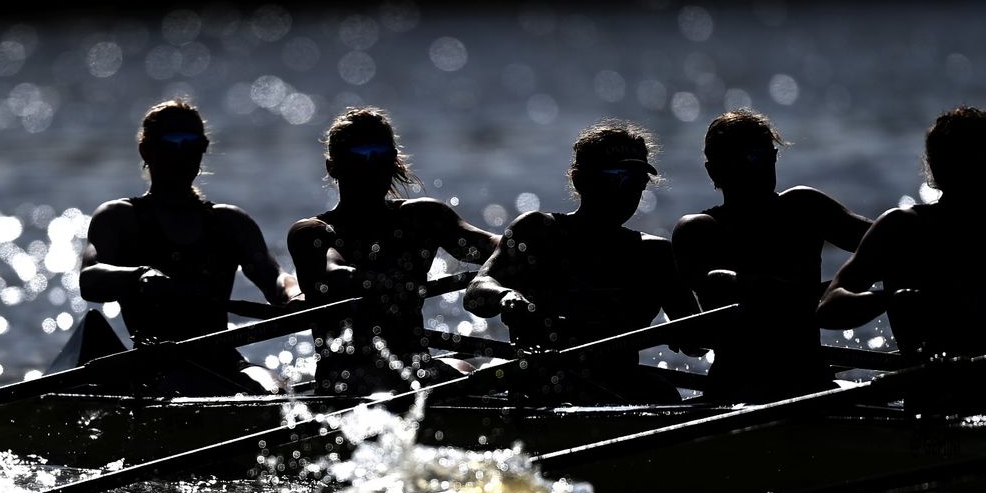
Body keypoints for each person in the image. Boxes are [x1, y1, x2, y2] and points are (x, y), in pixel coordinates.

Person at [817, 105, 986, 413]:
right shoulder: (901, 229)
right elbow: (829, 308)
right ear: (942, 169)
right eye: (979, 165)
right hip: (933, 398)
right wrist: (888, 299)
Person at [463, 119, 700, 404]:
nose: (630, 191)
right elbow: (477, 292)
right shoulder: (538, 232)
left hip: (619, 386)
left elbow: (696, 343)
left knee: (663, 394)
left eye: (638, 181)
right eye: (617, 177)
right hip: (542, 386)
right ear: (580, 180)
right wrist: (505, 296)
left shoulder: (655, 255)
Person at [79, 98, 301, 394]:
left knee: (277, 391)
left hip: (223, 360)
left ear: (203, 149)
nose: (181, 153)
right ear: (146, 150)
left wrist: (294, 294)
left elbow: (273, 276)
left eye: (192, 143)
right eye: (171, 141)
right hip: (155, 362)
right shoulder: (118, 218)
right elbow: (89, 278)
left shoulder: (231, 222)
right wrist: (139, 277)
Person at [286, 106, 499, 395]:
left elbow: (491, 246)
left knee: (473, 372)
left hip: (415, 368)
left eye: (381, 155)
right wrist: (386, 283)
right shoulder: (312, 232)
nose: (370, 166)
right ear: (332, 167)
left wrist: (532, 248)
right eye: (358, 155)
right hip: (348, 380)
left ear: (394, 162)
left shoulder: (423, 218)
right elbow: (333, 272)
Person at [672, 108, 872, 402]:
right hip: (736, 386)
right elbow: (718, 292)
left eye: (767, 154)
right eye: (747, 158)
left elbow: (888, 243)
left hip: (810, 380)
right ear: (713, 171)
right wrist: (825, 294)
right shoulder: (699, 230)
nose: (761, 165)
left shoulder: (804, 207)